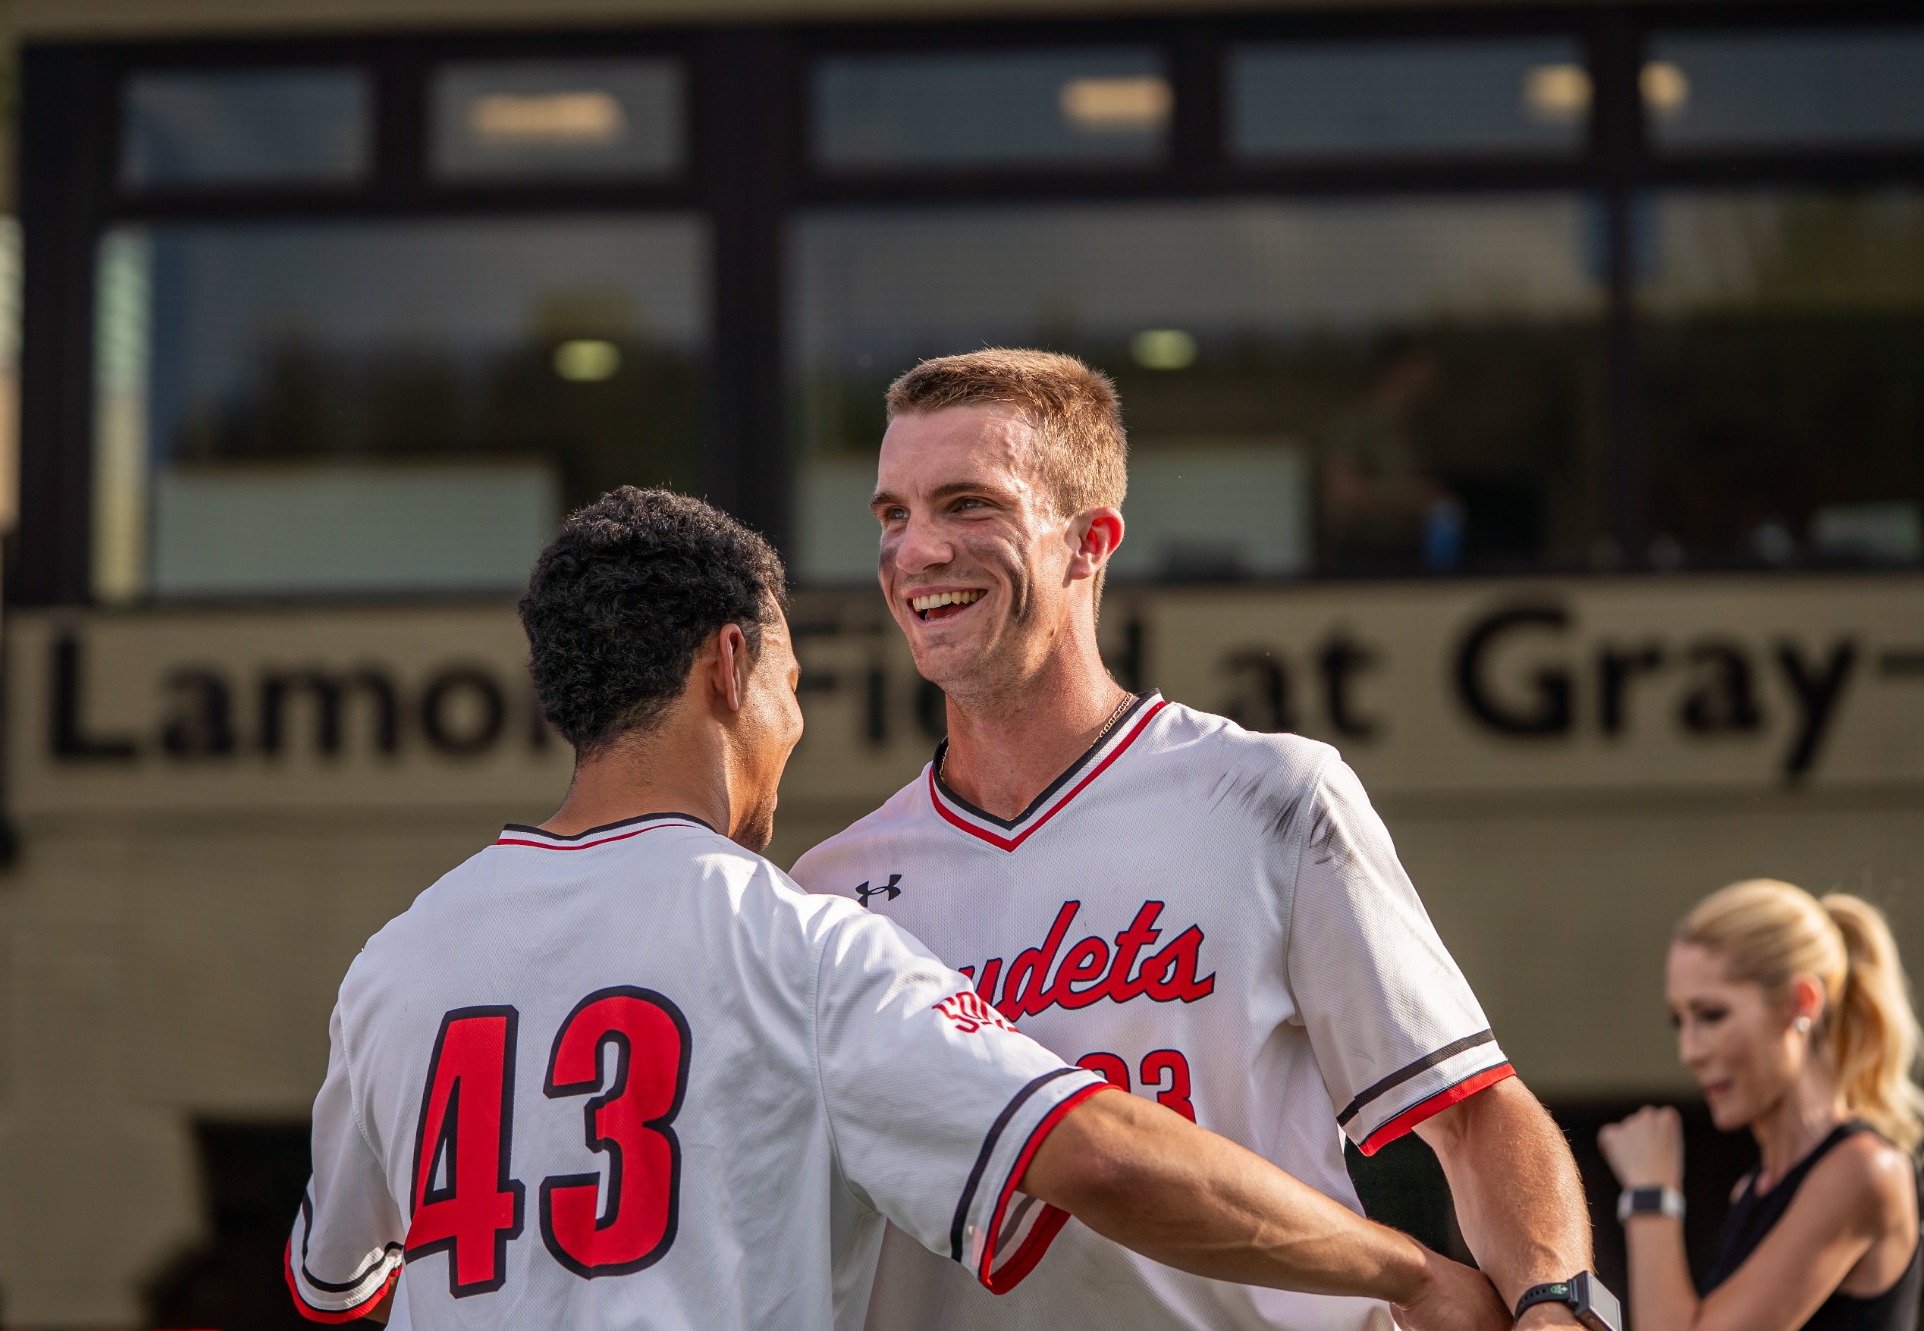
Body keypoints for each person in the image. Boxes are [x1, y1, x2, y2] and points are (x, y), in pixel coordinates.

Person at [285, 487, 1503, 1330]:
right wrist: (1407, 1267)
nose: (793, 727)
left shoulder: (397, 963)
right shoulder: (793, 939)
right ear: (728, 666)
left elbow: (335, 1282)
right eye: (790, 684)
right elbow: (1093, 1156)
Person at [790, 349, 1604, 1331]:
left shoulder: (1272, 796)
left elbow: (1471, 1113)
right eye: (891, 513)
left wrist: (1556, 1305)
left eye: (967, 504)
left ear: (1089, 542)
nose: (915, 551)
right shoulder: (828, 891)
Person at [1598, 879, 1923, 1331]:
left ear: (1801, 1002)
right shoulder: (1753, 1190)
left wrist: (1650, 1193)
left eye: (1711, 1015)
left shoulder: (1864, 1173)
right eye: (1680, 1021)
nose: (1690, 1051)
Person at [1320, 334, 1461, 573]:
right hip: (1365, 560)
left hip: (1404, 555)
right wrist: (1412, 499)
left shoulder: (1412, 429)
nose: (1430, 377)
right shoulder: (1359, 425)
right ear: (1399, 369)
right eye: (1422, 366)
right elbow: (1342, 495)